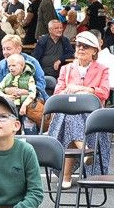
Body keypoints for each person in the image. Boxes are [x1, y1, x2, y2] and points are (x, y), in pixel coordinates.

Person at [47, 30, 110, 187]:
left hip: (91, 115)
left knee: (70, 118)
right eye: (79, 45)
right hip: (67, 113)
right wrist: (70, 92)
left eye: (85, 46)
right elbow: (58, 93)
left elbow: (104, 92)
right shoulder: (66, 69)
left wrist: (85, 90)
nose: (80, 49)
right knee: (70, 116)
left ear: (94, 50)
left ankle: (66, 176)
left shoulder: (102, 69)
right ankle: (85, 151)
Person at [0, 52, 36, 126]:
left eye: (14, 65)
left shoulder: (29, 78)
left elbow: (32, 93)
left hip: (26, 108)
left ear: (22, 66)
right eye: (9, 66)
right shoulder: (8, 77)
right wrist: (6, 96)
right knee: (12, 126)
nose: (11, 68)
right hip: (10, 107)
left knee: (29, 126)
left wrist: (24, 105)